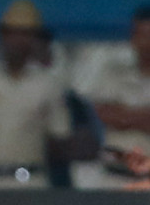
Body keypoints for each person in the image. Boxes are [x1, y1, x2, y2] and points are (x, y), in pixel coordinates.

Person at [0, 0, 69, 188]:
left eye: (25, 34)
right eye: (12, 33)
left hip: (30, 180)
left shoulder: (49, 84)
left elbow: (58, 137)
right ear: (2, 35)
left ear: (35, 38)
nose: (18, 41)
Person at [89, 4, 150, 182]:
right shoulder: (113, 74)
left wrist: (126, 115)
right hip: (113, 176)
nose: (147, 41)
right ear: (133, 38)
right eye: (142, 34)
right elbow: (105, 114)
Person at [33, 26, 100, 189]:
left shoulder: (71, 101)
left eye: (43, 54)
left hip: (58, 184)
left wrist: (47, 146)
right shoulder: (4, 94)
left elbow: (88, 148)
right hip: (16, 180)